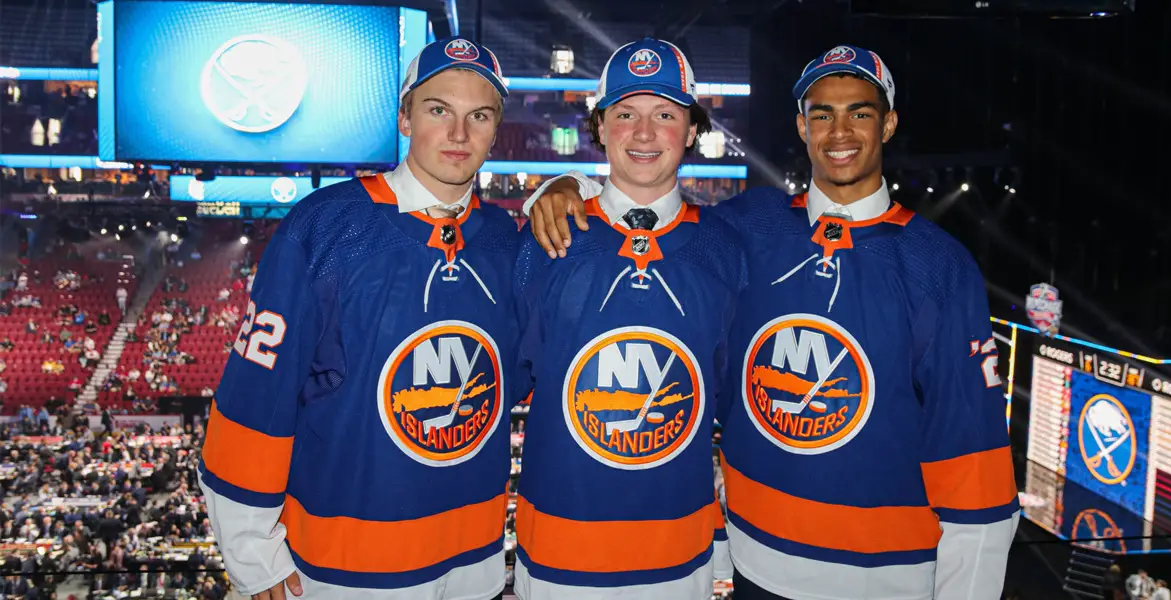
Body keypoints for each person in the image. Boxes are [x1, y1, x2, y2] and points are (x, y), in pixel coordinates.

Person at [523, 44, 1019, 600]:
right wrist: (565, 187)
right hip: (753, 567)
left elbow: (977, 473)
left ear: (889, 123)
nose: (840, 132)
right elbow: (646, 211)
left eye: (859, 111)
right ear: (802, 126)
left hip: (888, 580)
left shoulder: (938, 264)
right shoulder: (747, 228)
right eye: (822, 114)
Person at [199, 37, 520, 600]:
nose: (458, 134)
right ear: (404, 117)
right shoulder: (322, 227)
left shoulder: (504, 239)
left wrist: (574, 187)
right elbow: (255, 398)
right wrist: (252, 550)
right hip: (344, 569)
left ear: (496, 130)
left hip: (475, 564)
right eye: (438, 109)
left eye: (480, 116)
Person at [511, 38, 741, 599]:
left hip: (680, 558)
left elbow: (736, 409)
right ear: (600, 127)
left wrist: (726, 549)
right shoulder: (546, 239)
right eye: (626, 114)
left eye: (665, 115)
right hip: (559, 555)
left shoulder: (726, 249)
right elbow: (501, 385)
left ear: (691, 131)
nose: (644, 133)